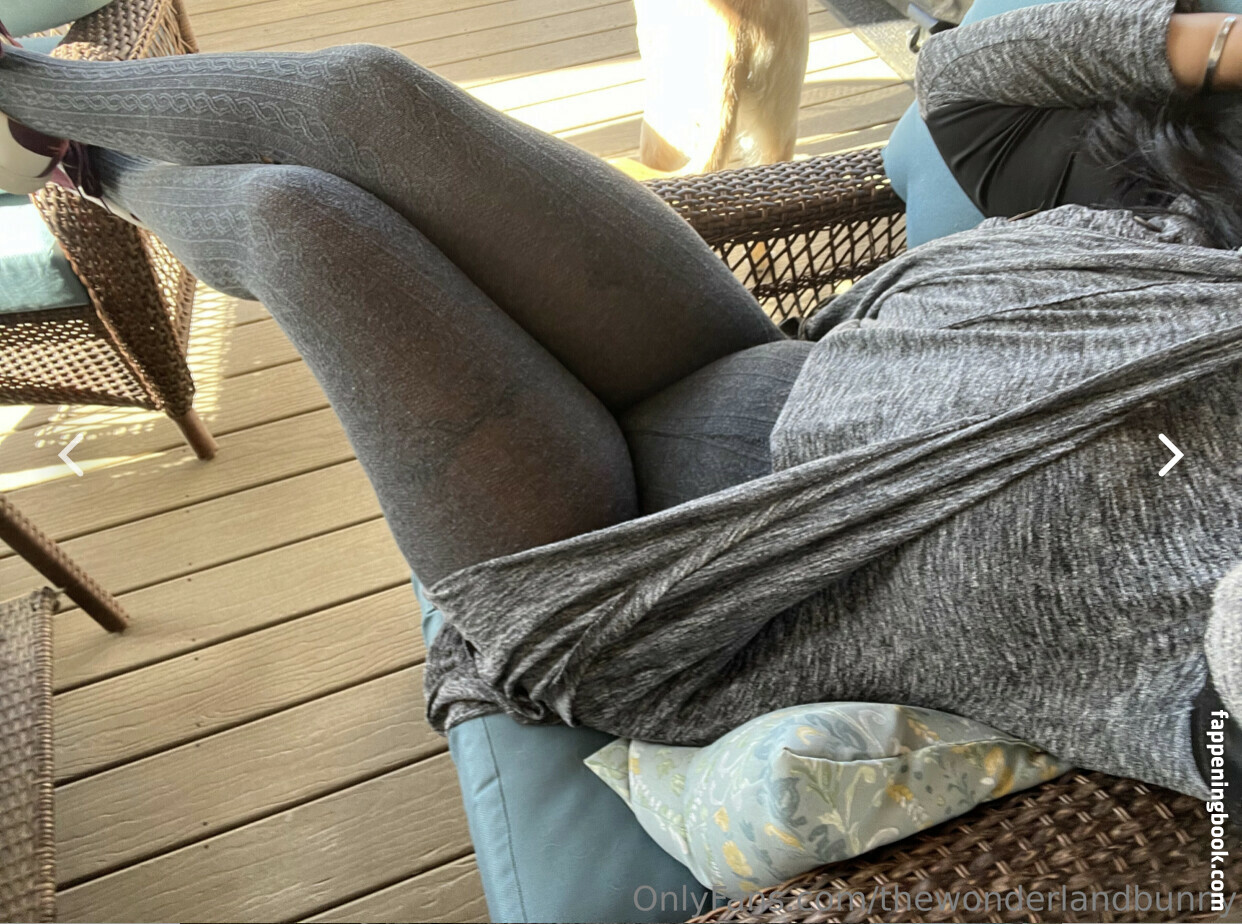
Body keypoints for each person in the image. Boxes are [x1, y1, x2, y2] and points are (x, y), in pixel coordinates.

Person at [0, 0, 1237, 815]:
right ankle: (37, 109)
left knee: (298, 221)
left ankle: (81, 163)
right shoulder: (1211, 225)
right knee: (367, 91)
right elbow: (964, 89)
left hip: (646, 582)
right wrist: (1217, 48)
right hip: (748, 369)